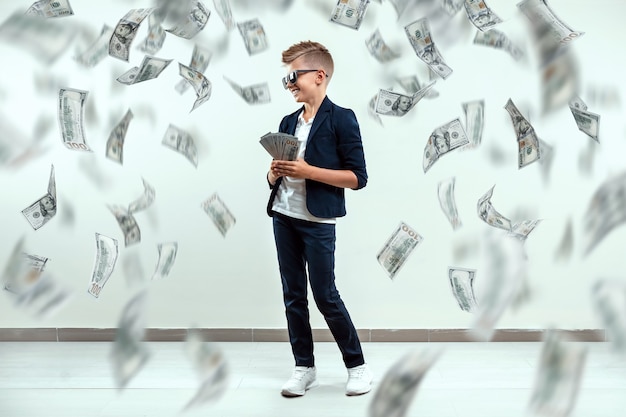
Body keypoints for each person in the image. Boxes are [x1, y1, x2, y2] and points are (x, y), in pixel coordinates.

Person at [266, 41, 372, 397]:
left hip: (318, 221)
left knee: (325, 296)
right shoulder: (287, 121)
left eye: (293, 76)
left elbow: (358, 178)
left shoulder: (342, 118)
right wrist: (273, 174)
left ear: (319, 75)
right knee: (293, 295)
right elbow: (279, 173)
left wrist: (308, 170)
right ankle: (304, 368)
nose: (290, 84)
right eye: (287, 79)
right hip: (283, 216)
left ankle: (357, 367)